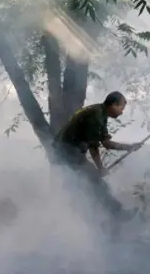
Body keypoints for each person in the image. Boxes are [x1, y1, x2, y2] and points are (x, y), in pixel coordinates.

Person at [54, 91, 142, 222]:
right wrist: (100, 168)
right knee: (94, 181)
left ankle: (97, 217)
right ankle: (114, 215)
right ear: (113, 105)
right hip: (67, 152)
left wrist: (129, 147)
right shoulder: (96, 115)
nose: (121, 112)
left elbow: (106, 143)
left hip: (68, 151)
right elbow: (93, 146)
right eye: (121, 108)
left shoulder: (101, 113)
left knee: (87, 183)